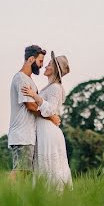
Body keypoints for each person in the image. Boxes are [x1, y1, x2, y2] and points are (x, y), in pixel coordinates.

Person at [21, 51, 72, 189]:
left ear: (55, 69)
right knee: (42, 168)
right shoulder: (49, 87)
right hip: (42, 130)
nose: (45, 67)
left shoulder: (55, 88)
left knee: (50, 169)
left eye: (49, 64)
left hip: (48, 133)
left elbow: (50, 110)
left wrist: (34, 96)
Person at [8, 44, 60, 179]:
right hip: (21, 134)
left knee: (24, 173)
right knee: (20, 171)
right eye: (40, 61)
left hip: (28, 135)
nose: (42, 65)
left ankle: (12, 199)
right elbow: (30, 106)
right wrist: (51, 117)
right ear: (31, 59)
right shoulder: (20, 78)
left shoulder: (29, 80)